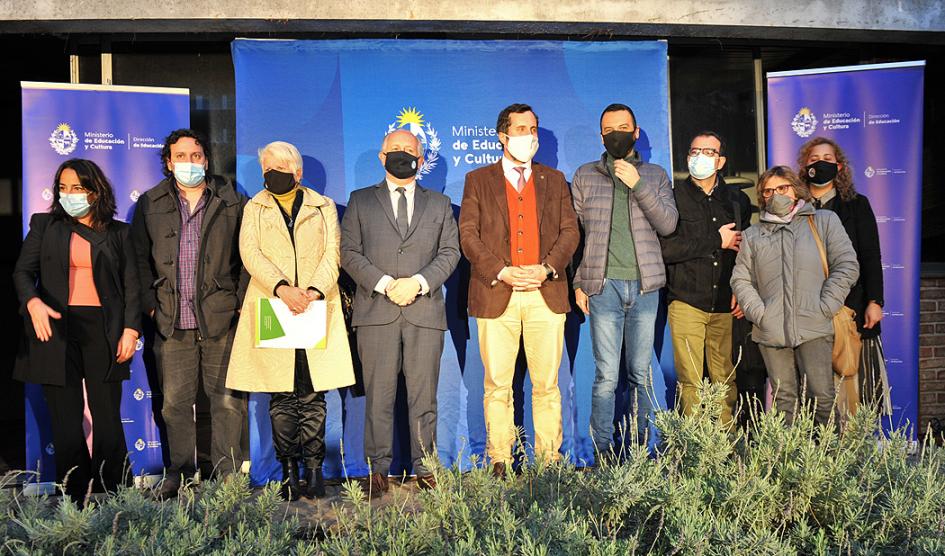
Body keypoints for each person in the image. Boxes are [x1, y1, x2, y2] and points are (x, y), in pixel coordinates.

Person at [226, 141, 355, 501]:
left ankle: (314, 470)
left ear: (298, 173)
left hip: (315, 303)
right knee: (281, 396)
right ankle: (287, 470)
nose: (272, 174)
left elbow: (333, 253)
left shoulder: (323, 205)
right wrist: (282, 288)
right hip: (273, 304)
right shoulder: (254, 206)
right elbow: (249, 252)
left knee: (314, 395)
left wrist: (312, 291)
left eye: (281, 168)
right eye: (267, 168)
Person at [458, 103, 579, 477]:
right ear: (503, 136)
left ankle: (548, 461)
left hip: (546, 292)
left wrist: (545, 269)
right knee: (497, 385)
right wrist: (503, 270)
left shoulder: (555, 180)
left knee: (547, 385)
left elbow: (569, 232)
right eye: (522, 129)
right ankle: (500, 459)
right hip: (497, 292)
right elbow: (468, 235)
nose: (530, 136)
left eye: (534, 129)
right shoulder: (478, 179)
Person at [340, 129, 460, 495]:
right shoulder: (360, 201)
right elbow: (348, 253)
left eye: (409, 151)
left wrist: (419, 282)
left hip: (424, 311)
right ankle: (378, 469)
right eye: (395, 150)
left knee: (425, 396)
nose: (402, 155)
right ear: (382, 157)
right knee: (378, 396)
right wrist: (386, 284)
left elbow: (450, 253)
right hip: (377, 310)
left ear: (421, 160)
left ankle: (424, 465)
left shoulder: (440, 204)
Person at [14, 159, 141, 504]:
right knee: (65, 419)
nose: (69, 195)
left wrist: (131, 329)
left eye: (78, 188)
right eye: (63, 188)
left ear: (95, 191)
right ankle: (72, 496)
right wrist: (33, 303)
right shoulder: (45, 225)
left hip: (104, 329)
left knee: (107, 417)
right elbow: (23, 273)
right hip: (54, 330)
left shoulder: (118, 233)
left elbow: (133, 287)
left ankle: (112, 493)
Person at [131, 129, 247, 499]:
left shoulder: (231, 200)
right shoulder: (150, 203)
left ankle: (227, 476)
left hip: (219, 320)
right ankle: (179, 473)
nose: (189, 163)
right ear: (168, 162)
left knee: (227, 403)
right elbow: (137, 260)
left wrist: (240, 302)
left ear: (206, 160)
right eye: (180, 156)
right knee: (174, 405)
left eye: (195, 155)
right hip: (171, 321)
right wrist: (151, 304)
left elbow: (248, 256)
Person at [571, 103, 677, 458]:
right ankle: (600, 453)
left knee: (641, 373)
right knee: (605, 376)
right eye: (609, 128)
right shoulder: (585, 175)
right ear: (601, 135)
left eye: (624, 127)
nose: (616, 133)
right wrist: (578, 283)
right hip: (603, 287)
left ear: (636, 132)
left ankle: (641, 450)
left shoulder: (657, 175)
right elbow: (575, 236)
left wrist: (639, 185)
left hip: (645, 287)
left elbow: (668, 224)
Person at [730, 166, 858, 427]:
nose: (774, 195)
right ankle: (786, 464)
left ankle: (826, 462)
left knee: (821, 398)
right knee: (783, 400)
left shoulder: (823, 221)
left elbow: (847, 264)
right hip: (771, 331)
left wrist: (825, 305)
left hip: (815, 326)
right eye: (767, 191)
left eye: (782, 188)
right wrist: (759, 314)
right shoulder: (754, 235)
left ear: (796, 189)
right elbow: (740, 278)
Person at [659, 131, 751, 427]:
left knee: (725, 380)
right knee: (691, 382)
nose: (700, 157)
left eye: (709, 152)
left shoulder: (737, 201)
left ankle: (726, 449)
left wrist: (743, 290)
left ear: (721, 161)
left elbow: (747, 253)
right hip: (687, 300)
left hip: (725, 303)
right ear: (687, 157)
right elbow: (667, 249)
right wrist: (715, 240)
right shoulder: (673, 198)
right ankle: (696, 452)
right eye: (695, 151)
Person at [798, 137, 888, 416]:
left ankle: (849, 447)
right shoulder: (795, 208)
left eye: (827, 158)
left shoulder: (857, 205)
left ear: (839, 166)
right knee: (811, 386)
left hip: (848, 307)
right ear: (804, 167)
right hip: (806, 309)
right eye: (814, 159)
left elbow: (870, 255)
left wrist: (875, 300)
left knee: (849, 382)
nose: (821, 163)